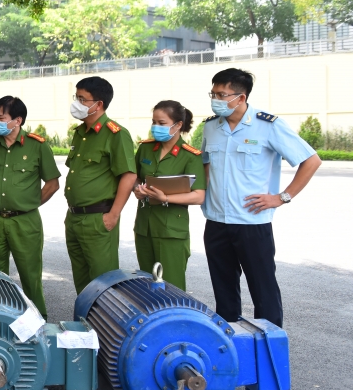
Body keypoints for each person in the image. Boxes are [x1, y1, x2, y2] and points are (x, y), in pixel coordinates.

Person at [201, 67, 321, 327]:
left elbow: (311, 160)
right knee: (224, 292)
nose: (216, 99)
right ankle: (232, 348)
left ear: (241, 98)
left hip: (252, 223)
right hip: (217, 222)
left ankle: (269, 348)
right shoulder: (211, 127)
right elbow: (205, 165)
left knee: (263, 290)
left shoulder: (268, 126)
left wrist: (282, 197)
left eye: (222, 94)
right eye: (213, 93)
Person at [0, 96, 60, 318]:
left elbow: (52, 184)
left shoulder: (37, 146)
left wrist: (28, 203)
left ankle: (37, 323)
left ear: (18, 120)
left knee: (30, 275)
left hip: (25, 221)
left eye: (1, 117)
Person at [64, 76, 137, 294]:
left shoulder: (116, 134)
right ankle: (85, 324)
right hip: (74, 217)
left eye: (82, 99)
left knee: (103, 284)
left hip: (98, 218)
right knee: (82, 281)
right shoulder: (80, 133)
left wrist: (113, 215)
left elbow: (129, 175)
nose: (77, 103)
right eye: (76, 97)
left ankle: (104, 327)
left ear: (99, 104)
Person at [132, 100, 206, 291]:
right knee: (146, 284)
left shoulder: (190, 155)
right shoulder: (146, 148)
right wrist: (137, 189)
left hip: (171, 230)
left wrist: (165, 198)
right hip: (144, 226)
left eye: (162, 123)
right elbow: (134, 178)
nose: (156, 127)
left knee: (171, 286)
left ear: (178, 125)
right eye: (154, 122)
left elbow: (198, 195)